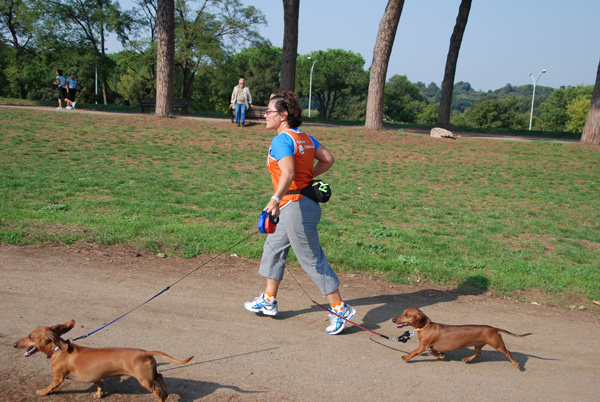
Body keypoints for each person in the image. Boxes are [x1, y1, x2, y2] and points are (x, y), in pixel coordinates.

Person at [244, 90, 356, 335]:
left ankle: (339, 308)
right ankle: (268, 300)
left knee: (311, 258)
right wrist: (307, 180)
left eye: (269, 112)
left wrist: (274, 199)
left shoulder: (282, 139)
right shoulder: (304, 137)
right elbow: (328, 159)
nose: (265, 116)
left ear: (283, 116)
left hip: (295, 208)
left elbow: (288, 174)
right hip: (297, 204)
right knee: (273, 248)